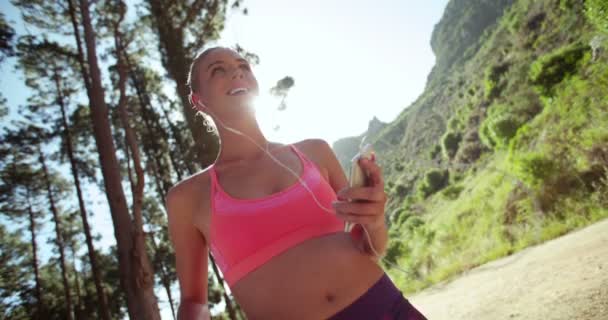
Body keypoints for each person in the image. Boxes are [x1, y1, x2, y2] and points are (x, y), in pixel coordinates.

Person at [165, 46, 427, 320]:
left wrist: (374, 222)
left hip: (387, 308)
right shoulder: (188, 198)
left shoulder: (315, 151)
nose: (236, 72)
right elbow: (194, 303)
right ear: (199, 101)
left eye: (243, 66)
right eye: (218, 70)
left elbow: (372, 248)